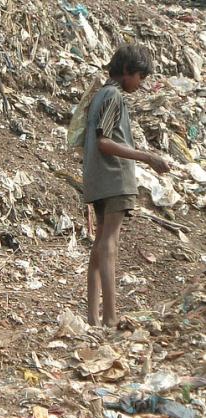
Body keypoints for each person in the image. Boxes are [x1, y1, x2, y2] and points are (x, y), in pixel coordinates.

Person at [83, 45, 170, 327]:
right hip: (114, 180)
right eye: (140, 77)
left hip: (97, 180)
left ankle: (93, 319)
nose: (141, 83)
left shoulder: (99, 96)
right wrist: (148, 157)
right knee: (109, 244)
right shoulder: (114, 96)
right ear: (127, 72)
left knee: (99, 246)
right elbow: (104, 142)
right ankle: (110, 318)